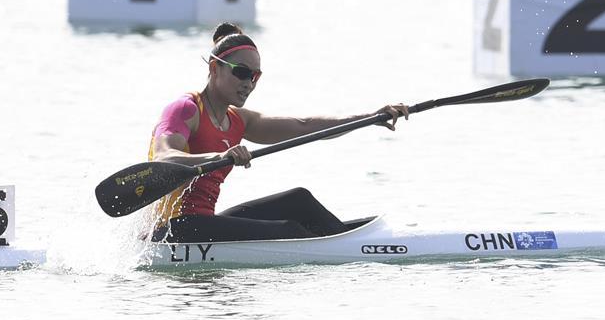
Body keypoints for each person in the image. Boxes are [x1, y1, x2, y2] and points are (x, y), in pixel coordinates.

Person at [147, 22, 409, 243]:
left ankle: (358, 243)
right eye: (241, 73)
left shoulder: (238, 120)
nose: (248, 83)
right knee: (288, 231)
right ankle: (348, 249)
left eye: (255, 77)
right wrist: (219, 156)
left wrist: (370, 118)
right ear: (214, 69)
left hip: (204, 224)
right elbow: (164, 157)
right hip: (174, 229)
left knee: (299, 201)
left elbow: (304, 126)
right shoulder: (185, 109)